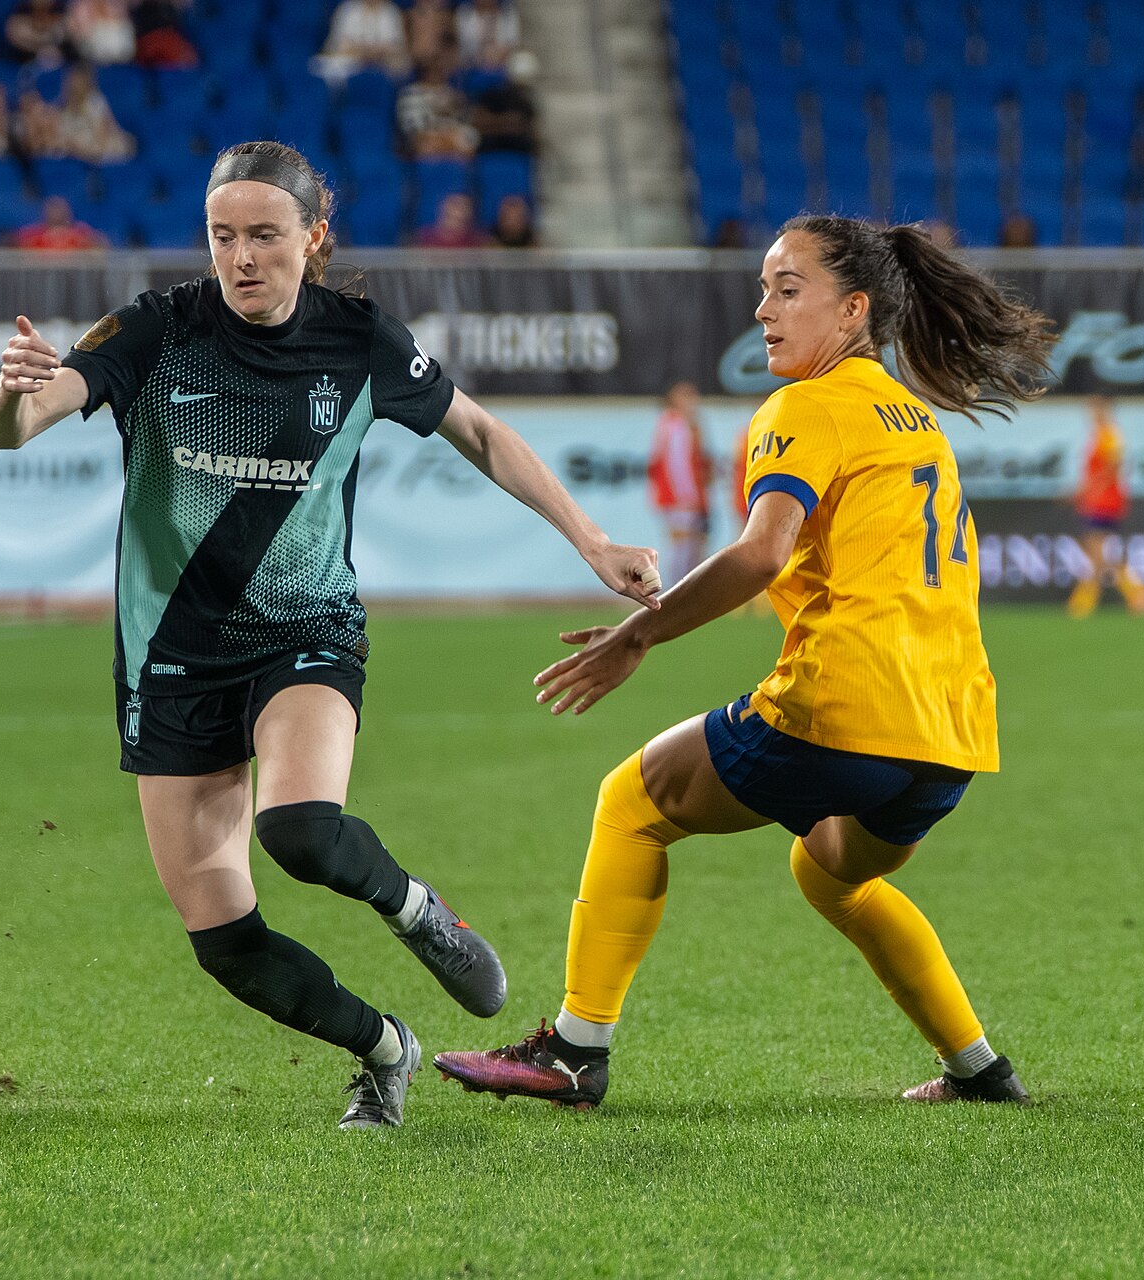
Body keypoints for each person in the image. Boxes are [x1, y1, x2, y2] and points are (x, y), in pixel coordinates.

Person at [0, 140, 660, 1130]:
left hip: (307, 631)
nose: (242, 256)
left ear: (314, 237)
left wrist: (593, 542)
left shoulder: (359, 338)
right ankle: (384, 1050)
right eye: (224, 236)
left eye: (264, 234)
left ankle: (416, 907)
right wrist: (10, 390)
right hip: (169, 656)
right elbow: (24, 422)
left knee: (298, 828)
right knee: (224, 941)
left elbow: (479, 431)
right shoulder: (158, 329)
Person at [435, 214, 1056, 1111]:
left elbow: (764, 552)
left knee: (630, 804)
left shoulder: (807, 406)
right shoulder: (913, 416)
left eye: (787, 289)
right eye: (764, 287)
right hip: (949, 730)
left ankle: (574, 1052)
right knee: (829, 871)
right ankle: (980, 1072)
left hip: (847, 705)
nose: (762, 307)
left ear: (852, 310)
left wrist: (638, 634)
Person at [1066, 395, 1144, 618]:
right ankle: (1135, 593)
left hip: (1105, 501)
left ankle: (1089, 600)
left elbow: (1114, 466)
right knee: (1096, 550)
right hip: (1098, 499)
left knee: (1096, 550)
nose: (1092, 413)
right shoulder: (1099, 435)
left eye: (1096, 409)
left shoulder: (1110, 435)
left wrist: (1090, 490)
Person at [646, 381, 714, 580]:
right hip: (680, 497)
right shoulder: (676, 426)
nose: (693, 401)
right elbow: (678, 466)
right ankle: (676, 592)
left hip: (680, 496)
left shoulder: (677, 424)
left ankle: (679, 590)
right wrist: (687, 496)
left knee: (689, 546)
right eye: (687, 396)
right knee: (684, 547)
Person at [10, 195, 105, 251]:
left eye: (59, 207)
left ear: (68, 211)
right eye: (53, 207)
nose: (56, 212)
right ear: (44, 212)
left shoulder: (81, 232)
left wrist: (90, 242)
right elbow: (10, 247)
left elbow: (102, 245)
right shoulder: (33, 233)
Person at [415, 191, 489, 247]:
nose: (459, 212)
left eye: (465, 207)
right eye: (455, 204)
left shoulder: (479, 242)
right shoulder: (421, 238)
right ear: (441, 208)